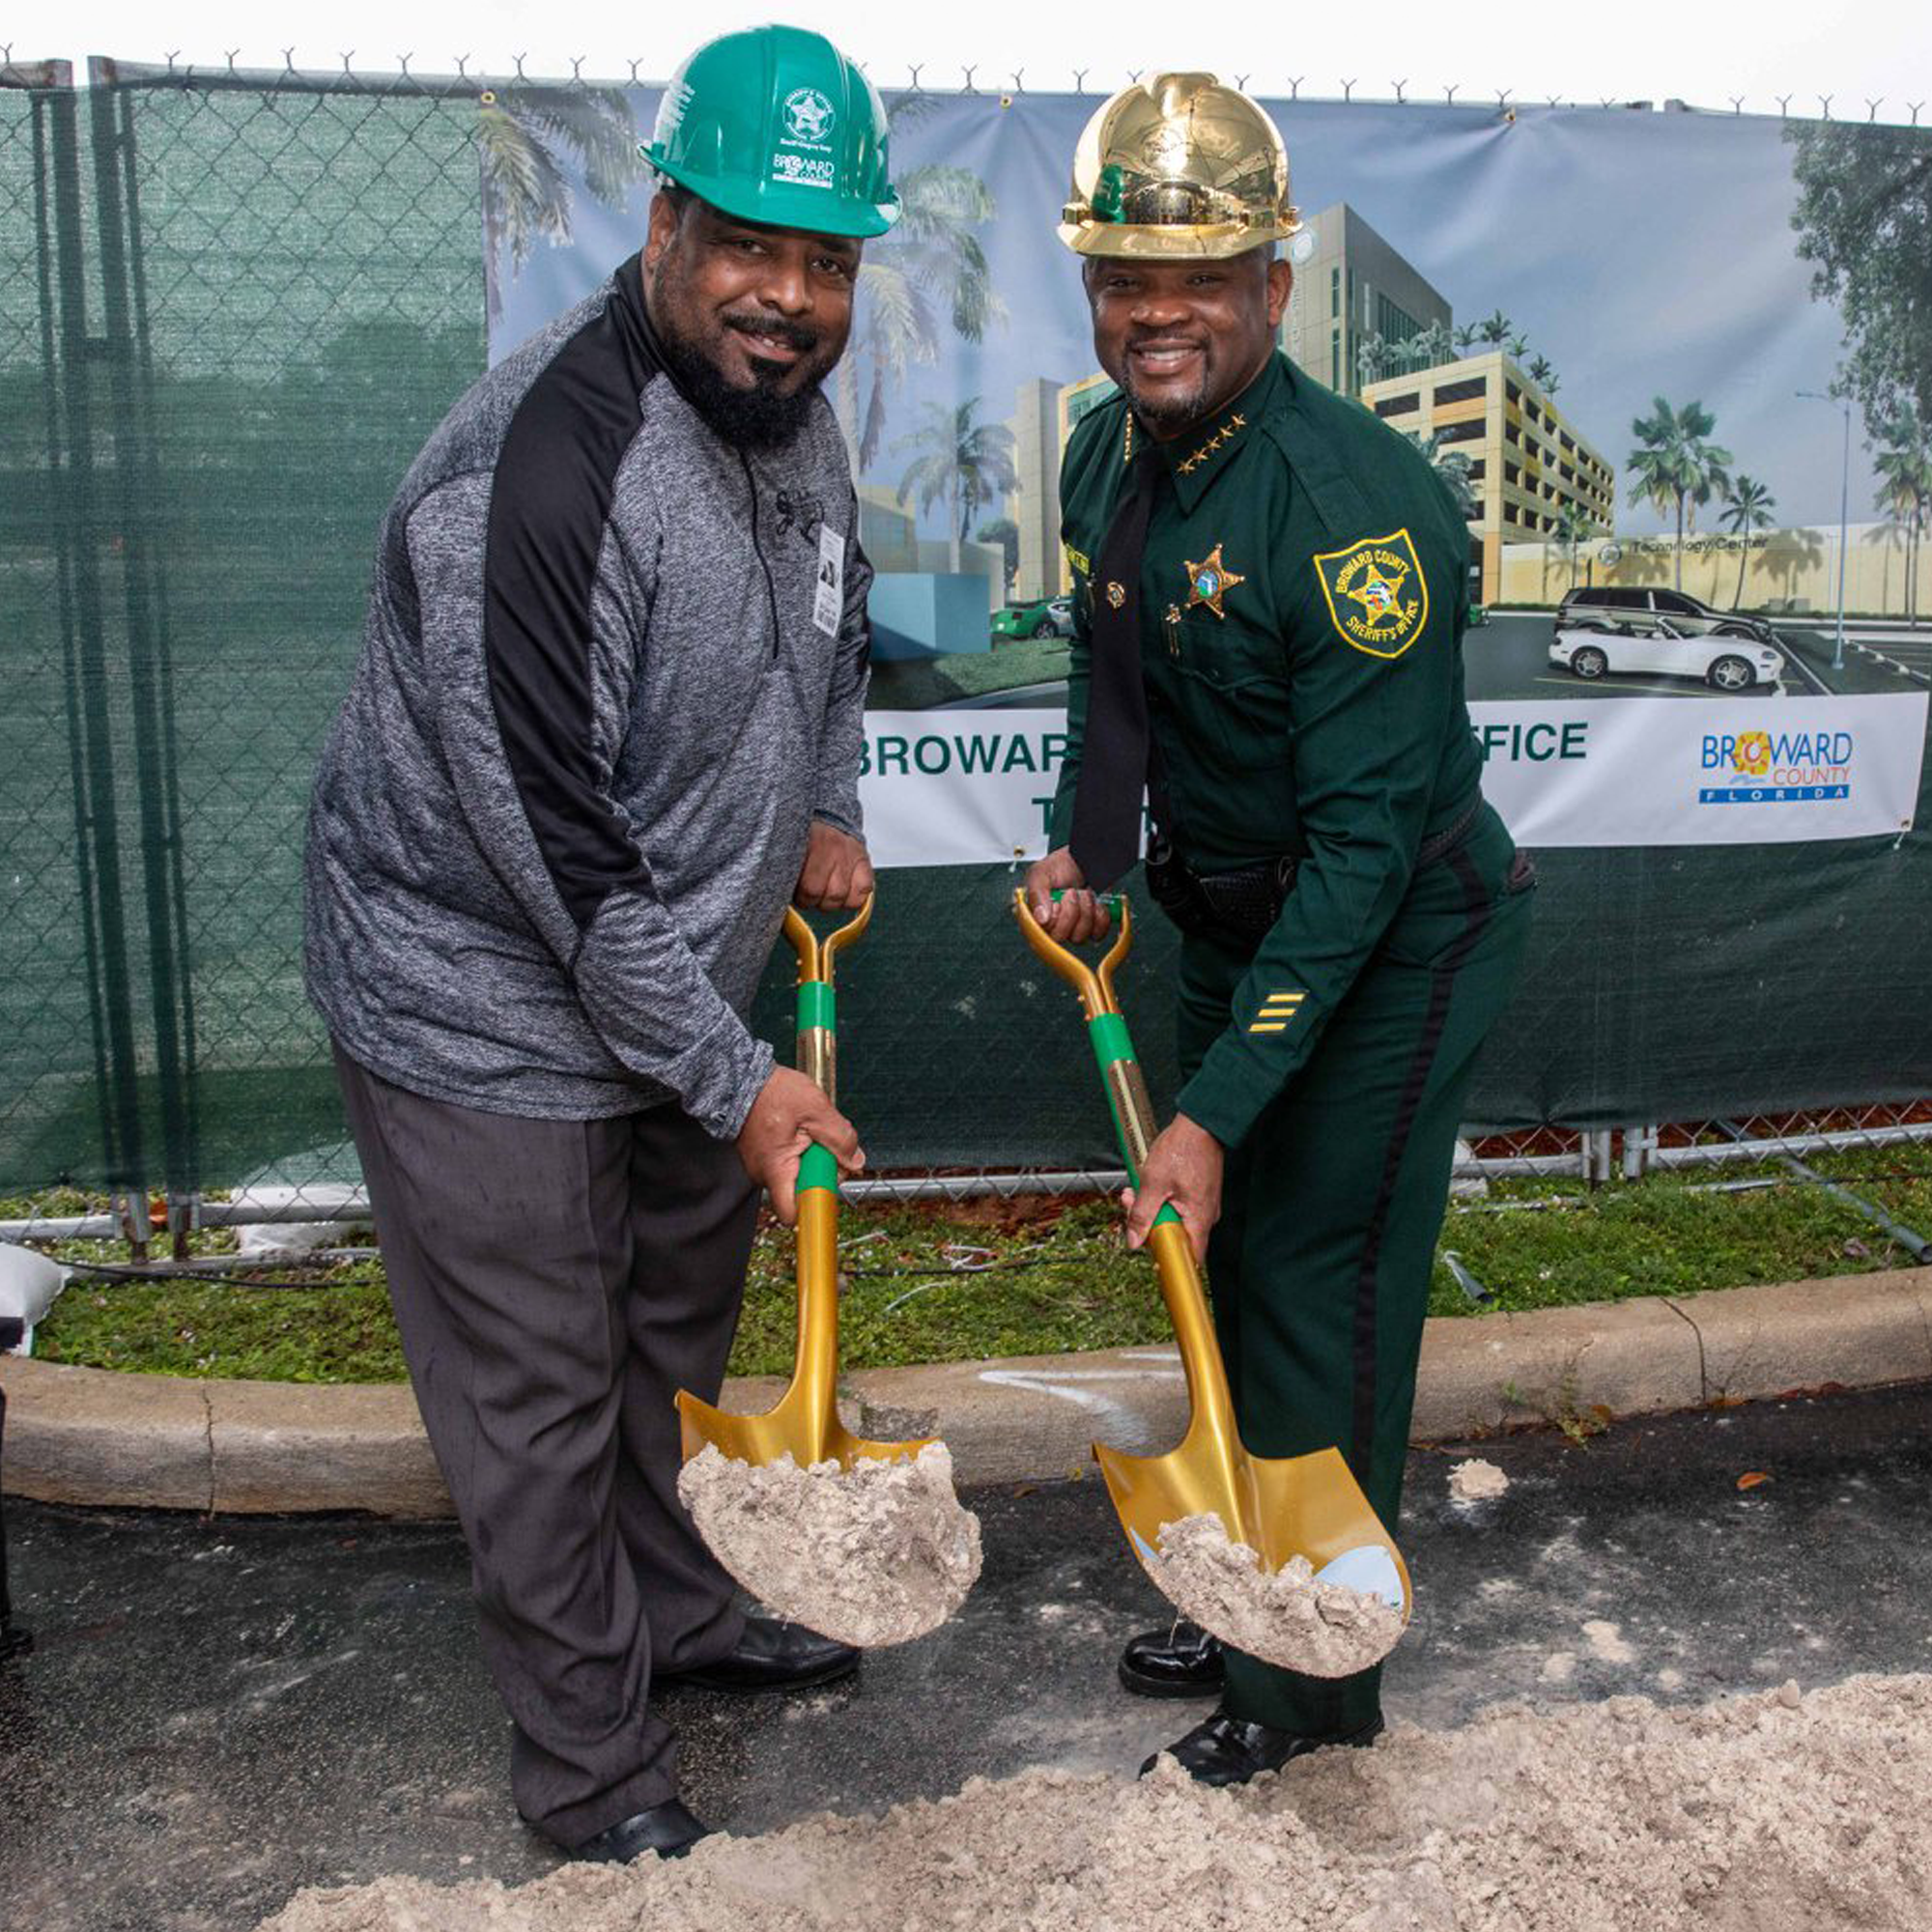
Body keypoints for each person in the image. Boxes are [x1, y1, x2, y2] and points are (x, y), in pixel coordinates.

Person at [303, 25, 895, 1863]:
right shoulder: (542, 476)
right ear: (664, 225)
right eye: (750, 247)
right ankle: (587, 1768)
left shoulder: (791, 422)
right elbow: (564, 862)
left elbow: (833, 622)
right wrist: (740, 1085)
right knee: (546, 1391)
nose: (787, 299)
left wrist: (831, 797)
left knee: (671, 1337)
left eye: (826, 260)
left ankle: (688, 1616)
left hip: (682, 976)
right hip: (483, 999)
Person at [1026, 73, 1536, 1787]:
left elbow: (1366, 854)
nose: (1152, 314)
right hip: (1244, 920)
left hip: (1401, 932)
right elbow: (1117, 655)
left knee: (1313, 1264)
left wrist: (1212, 1113)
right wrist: (1088, 847)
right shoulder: (1116, 444)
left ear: (1273, 287)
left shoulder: (1360, 511)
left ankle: (1310, 1691)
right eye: (1119, 279)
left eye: (1197, 278)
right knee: (1231, 1262)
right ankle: (1252, 1573)